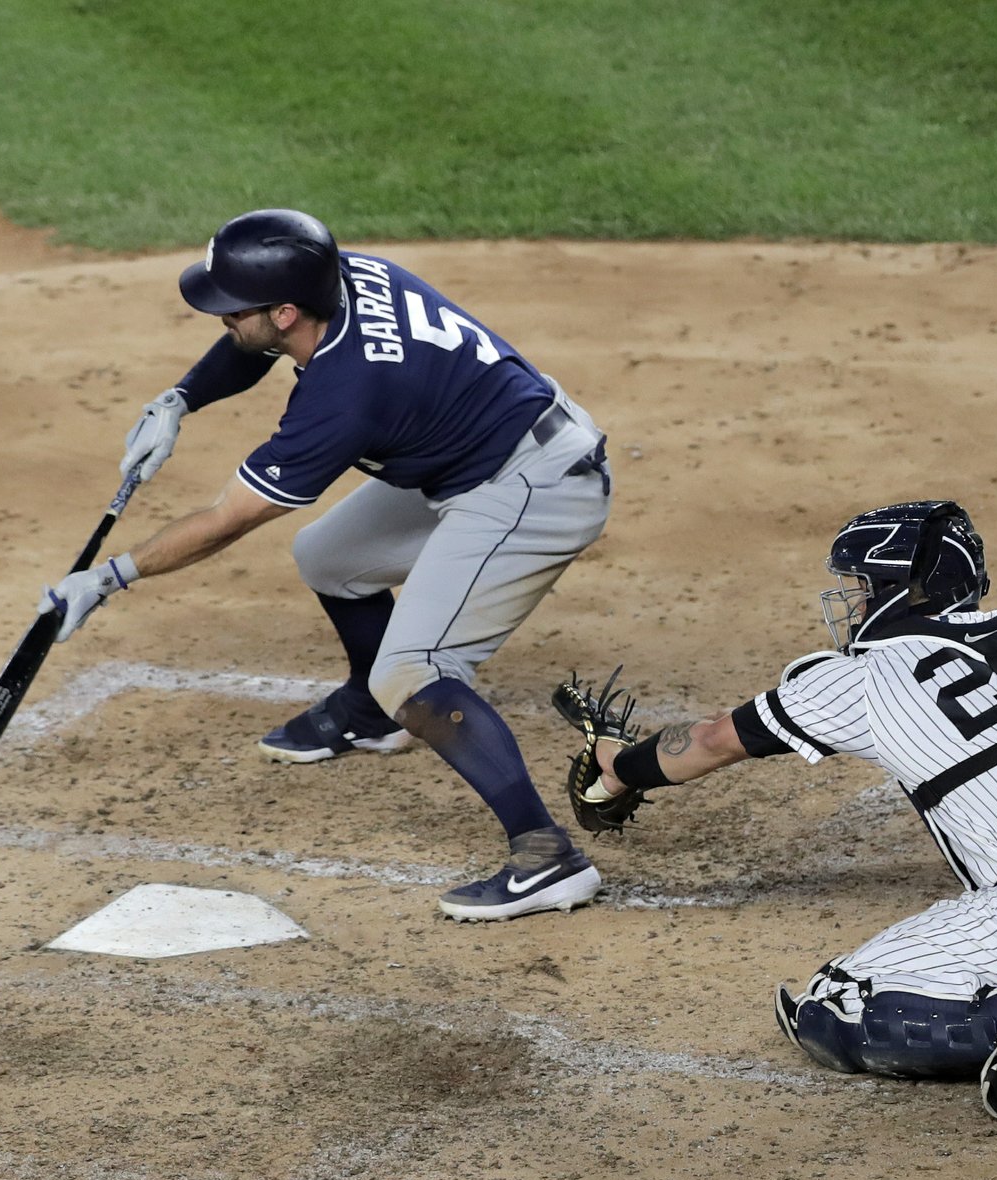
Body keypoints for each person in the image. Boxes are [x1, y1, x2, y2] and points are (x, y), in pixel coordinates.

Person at [39, 208, 614, 923]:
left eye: (233, 308)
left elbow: (228, 518)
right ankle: (372, 715)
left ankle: (547, 856)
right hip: (477, 451)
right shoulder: (341, 278)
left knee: (414, 670)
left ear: (285, 311)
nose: (222, 318)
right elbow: (254, 341)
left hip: (536, 487)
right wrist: (181, 398)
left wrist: (110, 576)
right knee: (330, 557)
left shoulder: (344, 395)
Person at [574, 501, 997, 1121]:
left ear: (898, 589)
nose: (852, 602)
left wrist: (619, 769)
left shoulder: (860, 679)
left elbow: (712, 741)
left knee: (832, 1006)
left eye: (860, 585)